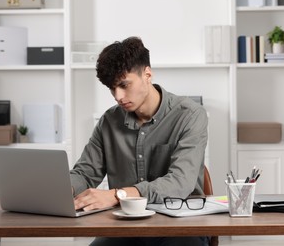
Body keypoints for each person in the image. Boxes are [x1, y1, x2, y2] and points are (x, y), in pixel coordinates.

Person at [69, 36, 209, 246]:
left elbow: (181, 182)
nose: (118, 96)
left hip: (180, 226)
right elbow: (85, 173)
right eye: (112, 88)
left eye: (124, 85)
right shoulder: (109, 121)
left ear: (147, 74)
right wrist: (59, 190)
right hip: (125, 228)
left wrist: (119, 195)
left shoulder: (190, 115)